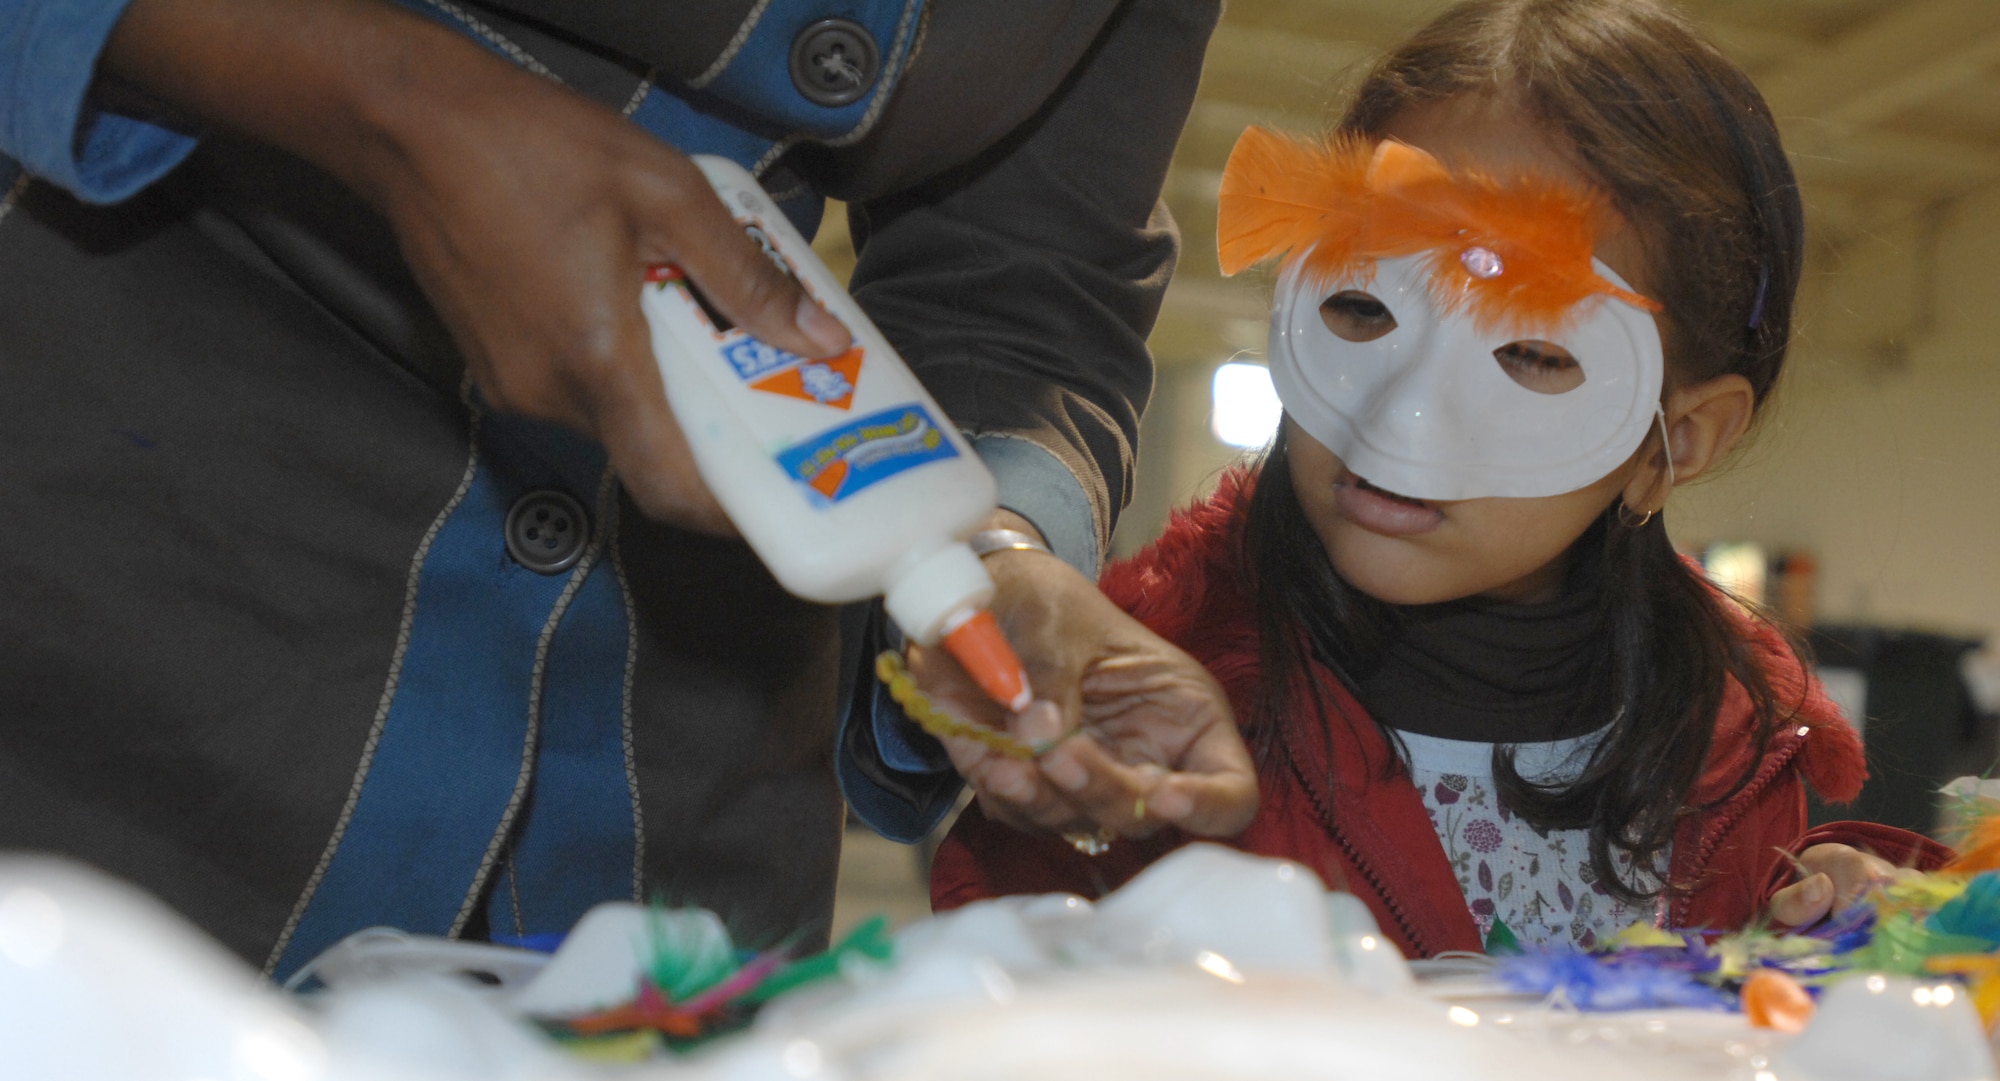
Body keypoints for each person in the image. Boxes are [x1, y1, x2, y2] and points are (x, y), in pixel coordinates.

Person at [0, 0, 1254, 979]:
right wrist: (389, 103)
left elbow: (1028, 273)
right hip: (111, 648)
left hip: (671, 813)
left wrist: (992, 549)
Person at [931, 0, 1953, 956]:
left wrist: (1852, 928)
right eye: (1362, 309)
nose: (1399, 417)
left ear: (1673, 439)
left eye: (1532, 355)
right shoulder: (1149, 705)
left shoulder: (1732, 739)